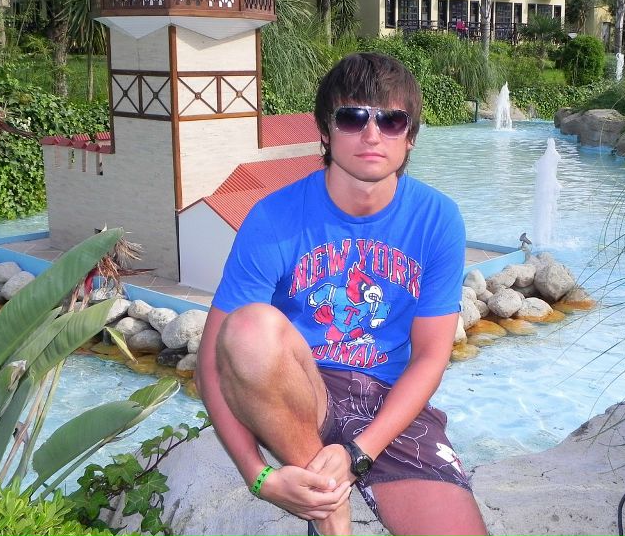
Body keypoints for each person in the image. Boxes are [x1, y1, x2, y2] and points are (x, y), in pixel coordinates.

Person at [196, 53, 488, 536]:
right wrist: (259, 476)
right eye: (353, 118)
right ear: (326, 132)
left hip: (386, 399)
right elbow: (212, 360)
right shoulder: (274, 217)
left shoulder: (437, 219)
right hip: (302, 388)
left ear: (410, 137)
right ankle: (332, 517)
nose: (372, 135)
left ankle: (328, 487)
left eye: (391, 120)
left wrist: (359, 453)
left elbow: (430, 357)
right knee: (248, 327)